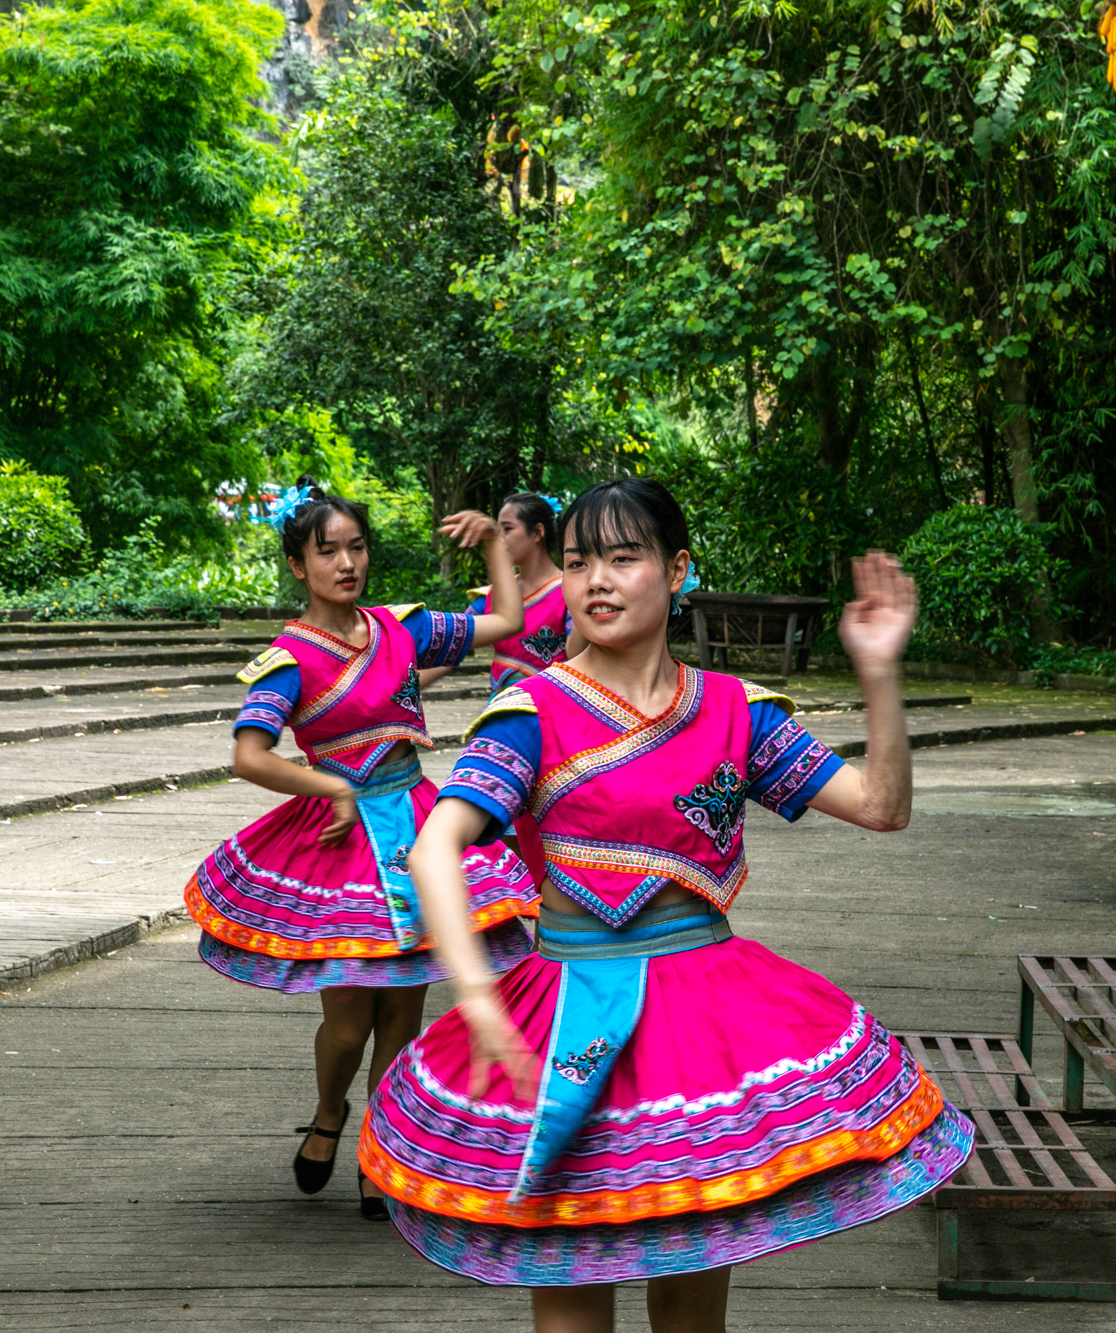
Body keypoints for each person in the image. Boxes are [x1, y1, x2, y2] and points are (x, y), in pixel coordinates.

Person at [360, 478, 973, 1330]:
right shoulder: (531, 712)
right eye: (577, 562)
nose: (597, 580)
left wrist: (880, 674)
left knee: (693, 1311)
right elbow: (432, 849)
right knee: (570, 1309)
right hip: (569, 1013)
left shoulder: (735, 711)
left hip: (704, 1030)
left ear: (678, 569)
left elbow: (881, 806)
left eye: (624, 557)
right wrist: (476, 997)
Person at [184, 478, 540, 1221]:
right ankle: (328, 1112)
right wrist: (330, 787)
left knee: (402, 1021)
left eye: (357, 546)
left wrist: (496, 546)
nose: (347, 562)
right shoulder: (287, 658)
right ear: (296, 564)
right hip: (339, 847)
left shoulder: (400, 627)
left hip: (417, 831)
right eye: (328, 551)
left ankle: (379, 1150)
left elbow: (506, 619)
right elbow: (249, 755)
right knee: (348, 1024)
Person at [422, 493, 583, 695]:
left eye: (507, 529)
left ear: (537, 532)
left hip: (552, 711)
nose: (499, 539)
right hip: (502, 712)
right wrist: (396, 689)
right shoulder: (491, 596)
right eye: (497, 531)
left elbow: (577, 655)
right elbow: (453, 647)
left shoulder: (569, 591)